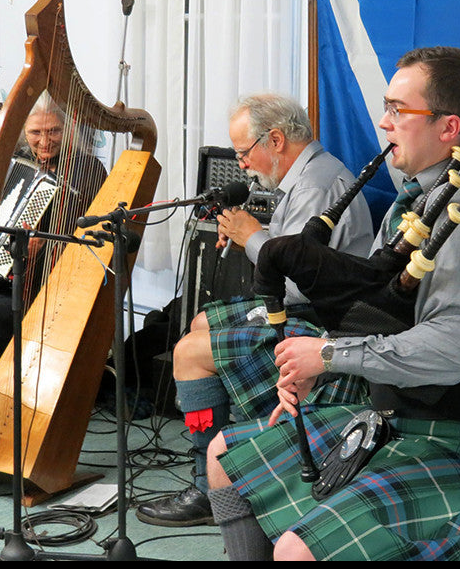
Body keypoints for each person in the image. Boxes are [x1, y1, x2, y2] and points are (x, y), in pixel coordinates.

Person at [205, 47, 460, 561]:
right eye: (385, 106)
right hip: (388, 414)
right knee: (225, 455)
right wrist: (318, 361)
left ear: (449, 129)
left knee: (295, 550)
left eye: (399, 110)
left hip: (452, 440)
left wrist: (329, 357)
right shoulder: (413, 205)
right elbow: (377, 313)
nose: (382, 121)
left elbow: (456, 347)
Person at [136, 92, 375, 527]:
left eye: (245, 153)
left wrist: (252, 239)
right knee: (198, 322)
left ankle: (211, 488)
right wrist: (252, 233)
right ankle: (236, 457)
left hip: (324, 324)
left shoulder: (318, 187)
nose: (241, 164)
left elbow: (294, 281)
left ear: (277, 139)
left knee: (189, 352)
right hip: (305, 308)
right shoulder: (305, 179)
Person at [0, 95, 107, 371]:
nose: (44, 141)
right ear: (24, 133)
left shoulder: (87, 169)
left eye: (53, 130)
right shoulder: (14, 162)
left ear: (68, 131)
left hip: (44, 282)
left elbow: (86, 235)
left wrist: (47, 243)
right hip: (0, 278)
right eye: (35, 132)